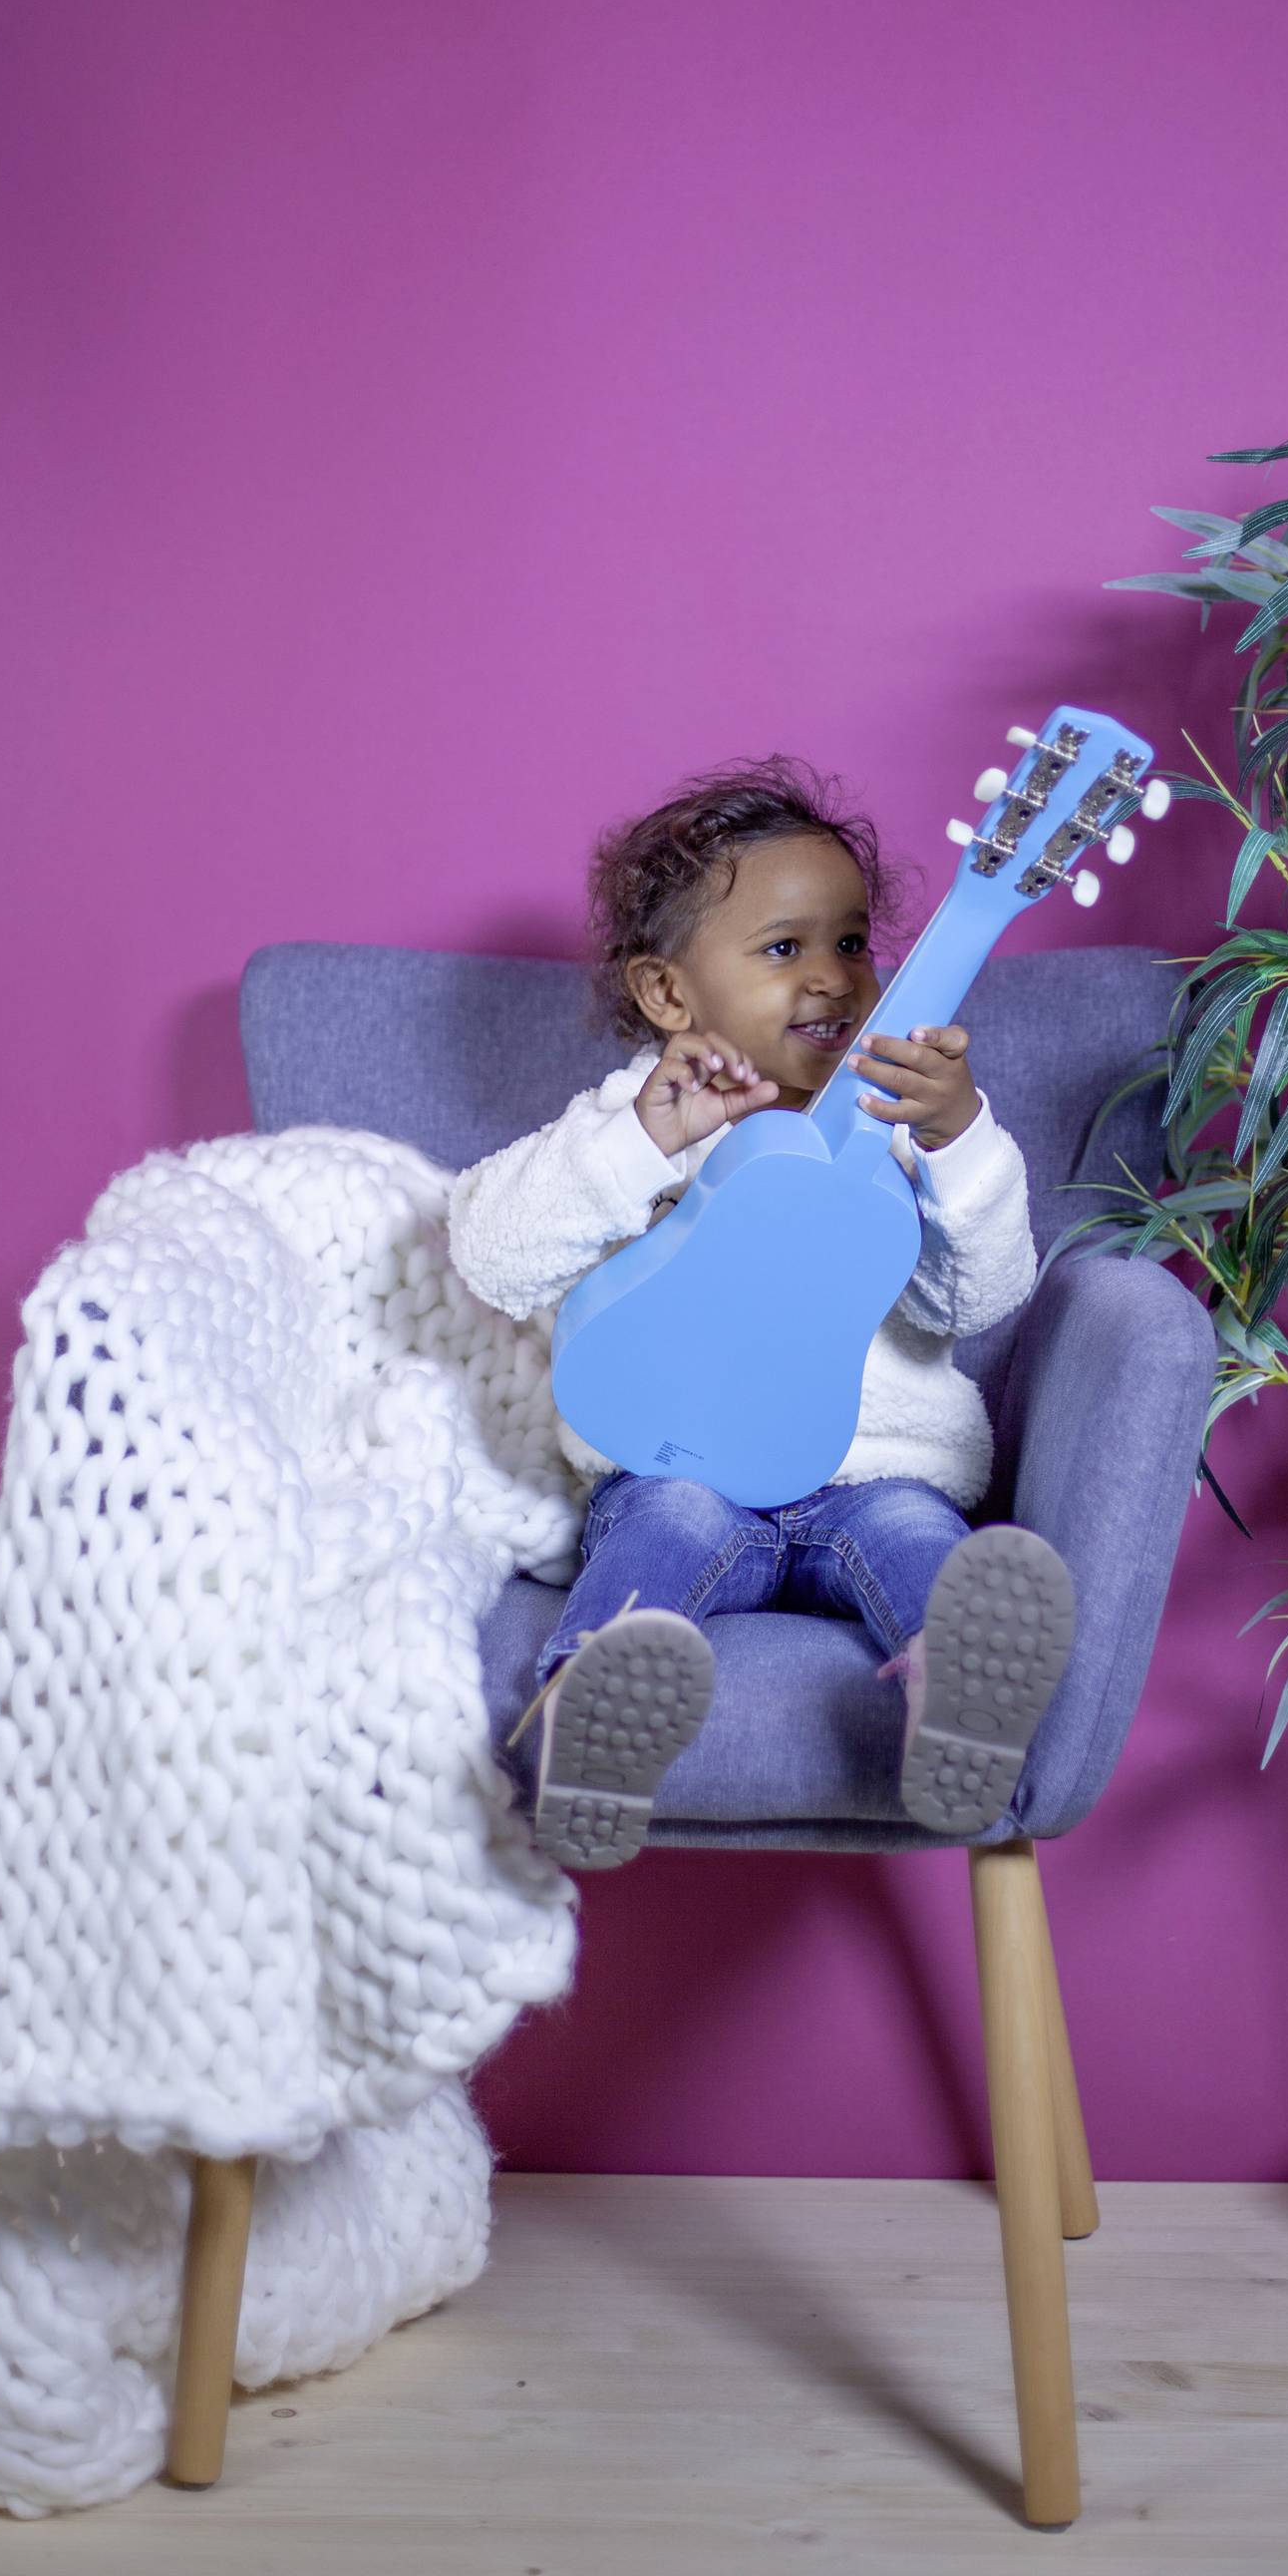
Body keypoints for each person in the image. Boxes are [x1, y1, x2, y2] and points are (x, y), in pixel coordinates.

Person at [448, 755, 1074, 1869]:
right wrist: (642, 1141)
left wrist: (960, 1140)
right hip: (683, 1469)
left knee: (921, 1541)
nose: (831, 978)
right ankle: (586, 1723)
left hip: (878, 1475)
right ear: (667, 995)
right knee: (662, 1533)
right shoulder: (646, 1118)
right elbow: (493, 1258)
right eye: (784, 950)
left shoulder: (904, 1130)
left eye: (849, 944)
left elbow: (981, 1297)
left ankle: (960, 1712)